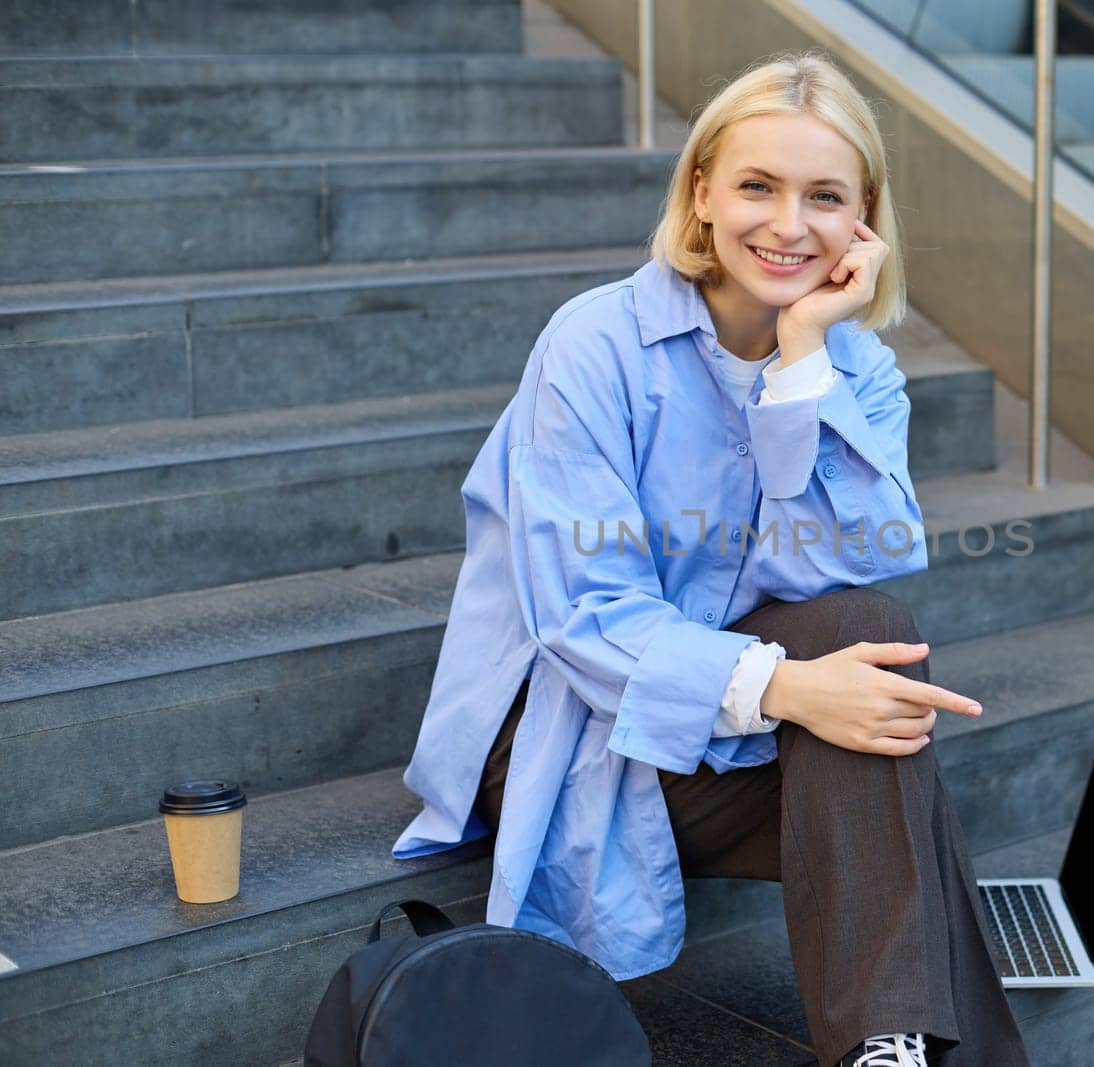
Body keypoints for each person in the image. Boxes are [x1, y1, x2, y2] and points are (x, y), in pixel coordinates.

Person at [391, 51, 1030, 1067]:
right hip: (565, 723)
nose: (788, 224)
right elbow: (584, 614)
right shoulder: (594, 344)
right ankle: (914, 1046)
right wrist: (786, 689)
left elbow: (855, 559)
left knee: (868, 638)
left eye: (824, 195)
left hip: (714, 721)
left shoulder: (855, 368)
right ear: (700, 193)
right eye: (757, 186)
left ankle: (886, 1048)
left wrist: (800, 362)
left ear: (863, 219)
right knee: (872, 727)